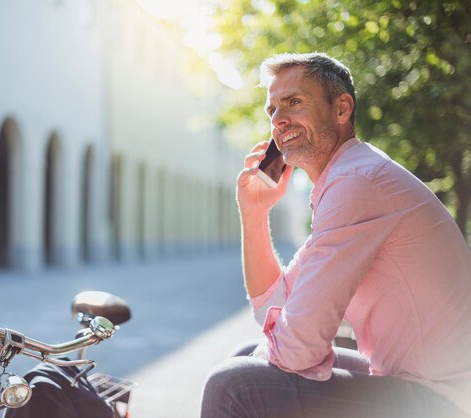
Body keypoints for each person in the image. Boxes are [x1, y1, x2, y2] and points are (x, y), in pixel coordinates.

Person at [201, 52, 471, 418]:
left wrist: (278, 348)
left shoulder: (357, 182)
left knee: (234, 385)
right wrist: (253, 213)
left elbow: (299, 350)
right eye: (273, 110)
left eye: (293, 102)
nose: (279, 120)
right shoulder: (349, 176)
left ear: (342, 108)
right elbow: (273, 304)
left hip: (444, 400)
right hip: (420, 383)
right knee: (246, 358)